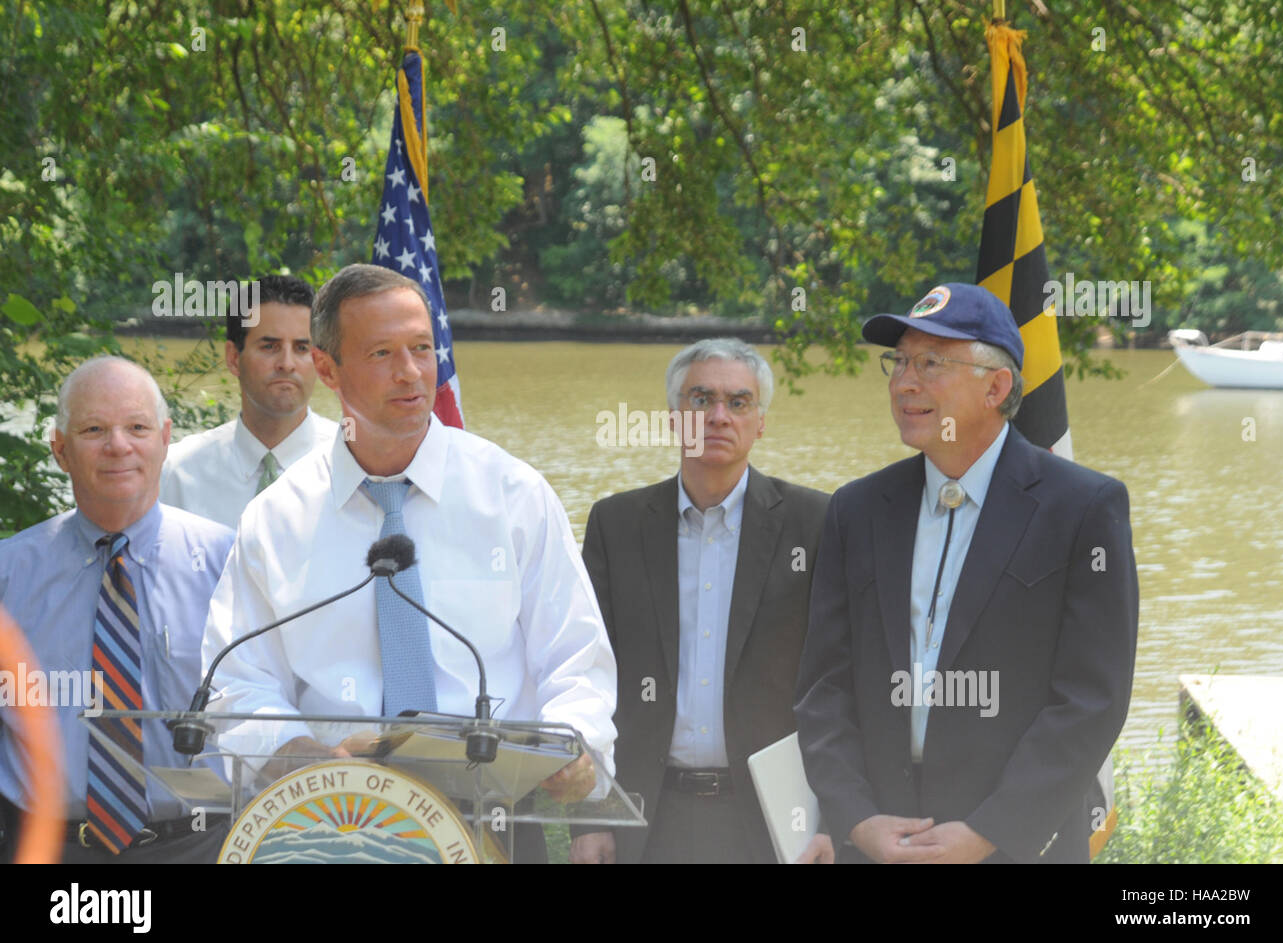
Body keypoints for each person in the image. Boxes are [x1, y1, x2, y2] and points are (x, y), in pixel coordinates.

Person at [200, 263, 616, 862]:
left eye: (422, 348)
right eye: (382, 353)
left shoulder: (513, 494)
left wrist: (579, 747)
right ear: (327, 367)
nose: (412, 372)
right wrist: (302, 756)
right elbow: (239, 684)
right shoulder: (277, 519)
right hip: (329, 825)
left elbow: (576, 659)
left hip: (494, 817)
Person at [795, 282, 1138, 864]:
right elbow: (824, 686)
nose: (905, 381)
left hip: (1020, 846)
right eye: (900, 361)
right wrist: (856, 819)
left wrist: (992, 830)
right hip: (880, 845)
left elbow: (1090, 698)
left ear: (996, 386)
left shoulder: (1083, 508)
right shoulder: (856, 508)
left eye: (931, 362)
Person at [570, 339, 834, 864]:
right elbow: (586, 674)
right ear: (673, 418)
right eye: (700, 400)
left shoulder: (818, 522)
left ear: (761, 421)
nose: (719, 416)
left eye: (739, 402)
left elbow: (839, 679)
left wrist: (831, 818)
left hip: (775, 819)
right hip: (648, 817)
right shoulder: (616, 525)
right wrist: (591, 816)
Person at [0, 356, 234, 863]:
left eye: (137, 427)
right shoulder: (8, 574)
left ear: (165, 437)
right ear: (59, 449)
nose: (118, 446)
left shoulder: (228, 564)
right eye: (93, 429)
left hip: (199, 845)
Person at [160, 274, 336, 528]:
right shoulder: (176, 474)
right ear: (233, 358)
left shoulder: (354, 464)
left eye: (301, 348)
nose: (287, 364)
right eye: (269, 347)